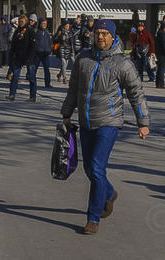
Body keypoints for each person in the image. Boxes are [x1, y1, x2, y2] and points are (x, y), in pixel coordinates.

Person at [61, 18, 150, 235]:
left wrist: (143, 122)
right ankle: (109, 193)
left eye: (104, 34)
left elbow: (136, 94)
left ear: (112, 37)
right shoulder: (83, 59)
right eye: (98, 33)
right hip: (86, 120)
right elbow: (73, 89)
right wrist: (66, 113)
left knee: (97, 167)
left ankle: (93, 217)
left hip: (109, 122)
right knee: (89, 169)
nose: (100, 37)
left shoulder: (122, 64)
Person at [6, 15, 36, 102]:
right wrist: (11, 56)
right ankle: (12, 94)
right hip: (18, 57)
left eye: (22, 21)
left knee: (31, 77)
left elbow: (33, 46)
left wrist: (30, 58)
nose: (20, 23)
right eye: (19, 21)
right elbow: (13, 45)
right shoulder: (17, 31)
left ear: (26, 22)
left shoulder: (30, 31)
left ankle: (32, 96)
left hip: (28, 57)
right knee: (15, 76)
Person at [30, 17, 54, 90]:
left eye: (45, 24)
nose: (44, 25)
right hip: (38, 52)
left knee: (46, 69)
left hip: (46, 53)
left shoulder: (47, 31)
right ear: (40, 24)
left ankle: (47, 83)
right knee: (35, 68)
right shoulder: (37, 31)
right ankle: (32, 81)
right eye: (43, 23)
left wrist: (50, 48)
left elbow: (49, 41)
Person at [55, 19, 76, 84]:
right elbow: (55, 40)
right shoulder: (60, 31)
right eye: (66, 25)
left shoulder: (70, 32)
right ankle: (64, 78)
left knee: (65, 65)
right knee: (64, 63)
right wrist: (59, 36)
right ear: (64, 26)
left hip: (68, 49)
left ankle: (59, 75)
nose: (68, 26)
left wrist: (72, 51)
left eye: (68, 25)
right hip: (61, 49)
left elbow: (72, 42)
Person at [154, 20, 165, 88]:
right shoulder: (163, 34)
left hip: (160, 53)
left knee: (159, 70)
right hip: (163, 54)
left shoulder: (160, 33)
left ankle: (158, 83)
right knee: (162, 70)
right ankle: (161, 84)